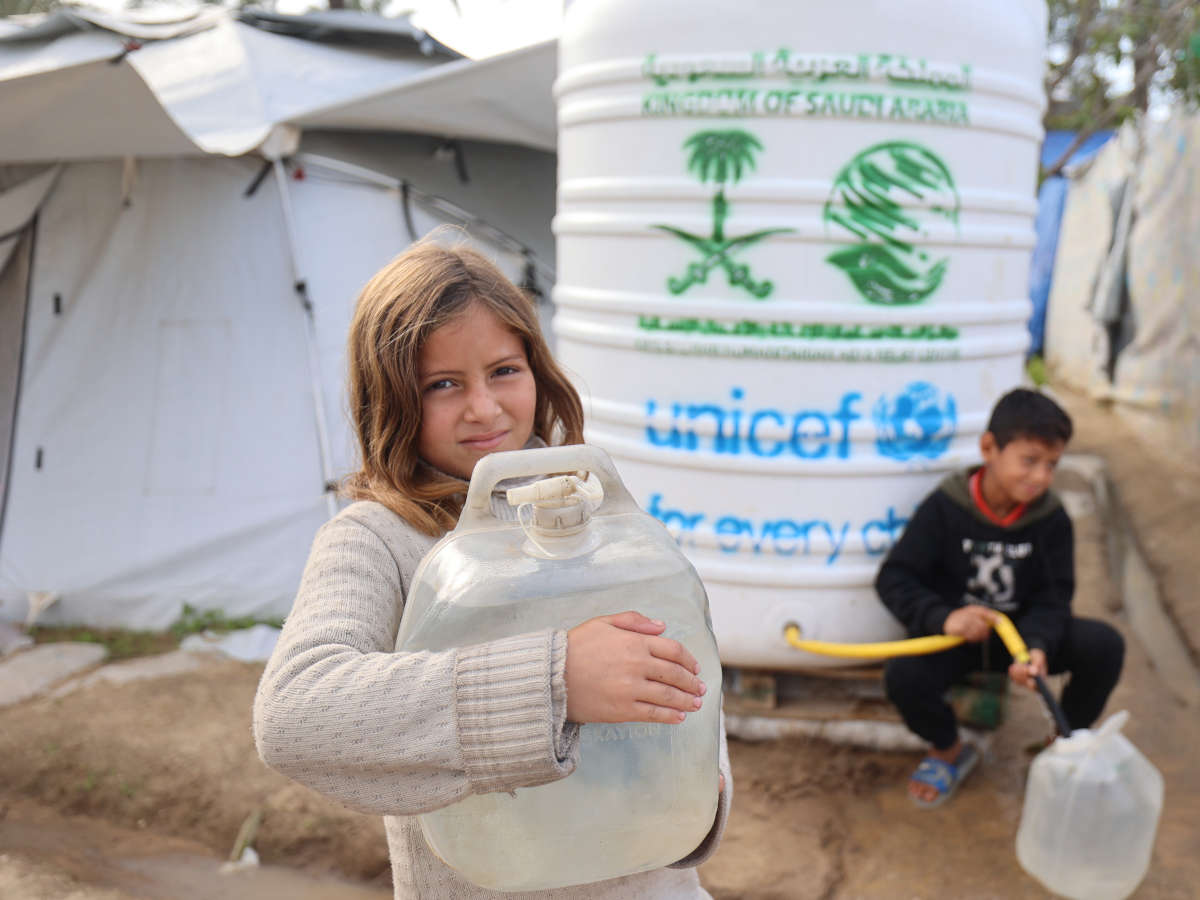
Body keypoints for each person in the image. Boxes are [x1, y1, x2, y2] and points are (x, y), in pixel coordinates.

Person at [253, 236, 731, 898]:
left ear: (539, 370)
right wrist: (556, 679)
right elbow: (293, 714)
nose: (484, 407)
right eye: (443, 385)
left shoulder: (598, 514)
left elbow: (682, 681)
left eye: (504, 371)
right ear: (388, 400)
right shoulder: (379, 539)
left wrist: (698, 781)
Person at [876, 387, 1124, 808]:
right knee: (902, 675)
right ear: (989, 448)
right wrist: (943, 618)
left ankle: (1058, 746)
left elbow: (1053, 597)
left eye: (1052, 464)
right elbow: (895, 577)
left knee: (1104, 645)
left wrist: (1038, 646)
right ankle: (948, 748)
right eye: (1030, 461)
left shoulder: (1051, 519)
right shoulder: (944, 508)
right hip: (956, 639)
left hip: (1019, 642)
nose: (1042, 477)